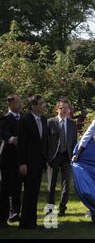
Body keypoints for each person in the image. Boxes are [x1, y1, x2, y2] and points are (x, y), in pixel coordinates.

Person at [18, 95, 48, 229]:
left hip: (39, 162)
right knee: (29, 192)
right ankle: (25, 221)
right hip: (28, 162)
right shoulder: (25, 120)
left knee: (35, 191)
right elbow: (22, 144)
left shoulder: (43, 119)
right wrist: (22, 163)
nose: (44, 106)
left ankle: (32, 221)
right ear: (33, 106)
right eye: (41, 104)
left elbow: (44, 142)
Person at [46, 99, 78, 216]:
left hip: (67, 156)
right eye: (61, 108)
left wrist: (75, 154)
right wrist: (47, 156)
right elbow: (46, 141)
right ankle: (50, 210)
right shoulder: (50, 122)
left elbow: (74, 141)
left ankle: (62, 208)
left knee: (66, 184)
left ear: (69, 110)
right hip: (53, 157)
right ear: (57, 109)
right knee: (51, 184)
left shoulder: (72, 124)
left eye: (66, 108)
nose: (64, 110)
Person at [0, 95, 22, 224]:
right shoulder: (5, 118)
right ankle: (2, 218)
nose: (21, 104)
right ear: (11, 105)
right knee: (5, 188)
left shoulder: (24, 118)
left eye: (21, 102)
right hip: (7, 159)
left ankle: (15, 213)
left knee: (17, 188)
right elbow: (4, 132)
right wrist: (11, 139)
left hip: (20, 158)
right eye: (18, 102)